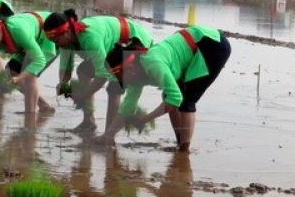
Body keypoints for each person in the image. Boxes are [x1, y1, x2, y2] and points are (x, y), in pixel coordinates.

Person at [94, 26, 231, 152]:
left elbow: (176, 98)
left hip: (211, 45)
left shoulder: (153, 64)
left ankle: (184, 150)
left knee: (187, 99)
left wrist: (145, 119)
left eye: (120, 78)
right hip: (190, 44)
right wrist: (108, 135)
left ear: (130, 69)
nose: (121, 83)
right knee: (168, 96)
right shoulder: (136, 77)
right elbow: (127, 106)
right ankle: (180, 141)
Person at [42, 10, 153, 133]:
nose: (56, 45)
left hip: (132, 40)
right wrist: (63, 85)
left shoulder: (89, 38)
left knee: (114, 87)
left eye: (57, 41)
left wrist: (84, 96)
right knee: (83, 71)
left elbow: (103, 74)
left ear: (67, 32)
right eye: (53, 42)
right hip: (111, 47)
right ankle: (88, 121)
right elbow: (65, 67)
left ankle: (108, 135)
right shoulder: (65, 43)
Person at [0, 12, 58, 114]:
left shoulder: (18, 31)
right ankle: (43, 105)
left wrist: (20, 77)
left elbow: (39, 60)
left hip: (47, 35)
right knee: (10, 73)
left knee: (29, 76)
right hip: (26, 40)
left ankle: (30, 116)